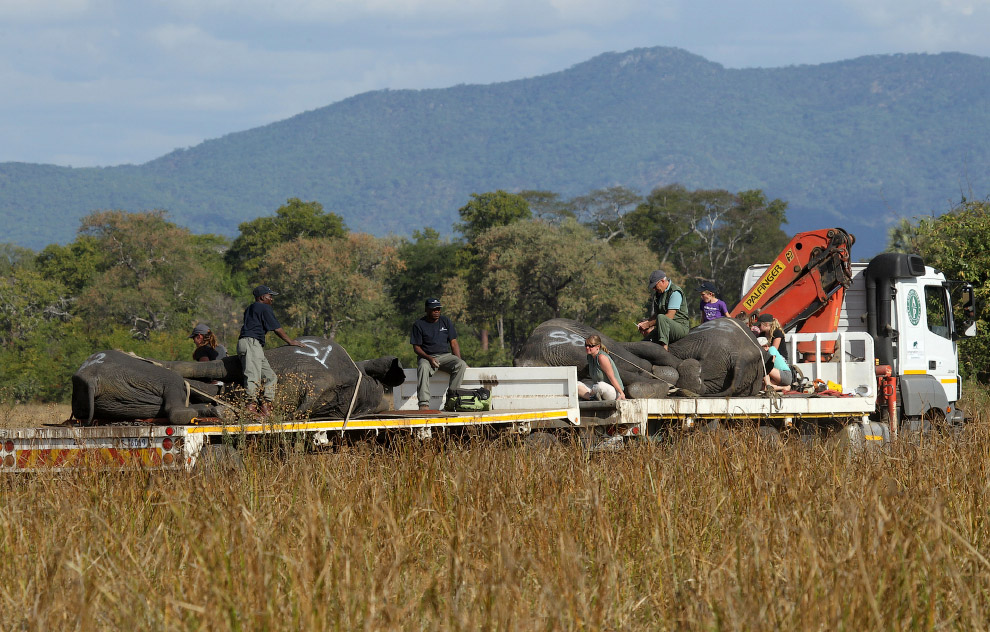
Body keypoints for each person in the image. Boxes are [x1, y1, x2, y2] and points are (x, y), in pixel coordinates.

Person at [237, 285, 303, 416]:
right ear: (262, 297)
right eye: (270, 296)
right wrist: (290, 341)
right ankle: (250, 406)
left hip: (253, 344)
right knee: (253, 375)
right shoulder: (264, 307)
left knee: (270, 376)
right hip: (251, 343)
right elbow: (276, 328)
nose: (272, 299)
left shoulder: (250, 308)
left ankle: (266, 406)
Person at [410, 298, 468, 411]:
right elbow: (416, 347)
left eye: (438, 309)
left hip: (445, 356)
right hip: (426, 357)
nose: (437, 311)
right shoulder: (419, 324)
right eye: (433, 309)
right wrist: (429, 358)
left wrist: (459, 359)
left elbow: (453, 342)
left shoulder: (445, 321)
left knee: (461, 364)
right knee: (422, 367)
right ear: (426, 310)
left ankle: (452, 398)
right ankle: (424, 403)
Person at [637, 270, 690, 349]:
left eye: (655, 286)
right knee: (645, 342)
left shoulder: (675, 292)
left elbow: (669, 317)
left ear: (662, 281)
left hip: (680, 327)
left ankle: (664, 348)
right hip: (663, 327)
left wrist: (648, 324)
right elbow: (656, 315)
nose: (654, 289)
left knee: (661, 317)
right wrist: (646, 323)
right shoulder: (658, 294)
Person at [577, 335, 626, 401]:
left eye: (591, 346)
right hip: (596, 389)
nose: (587, 347)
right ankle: (591, 398)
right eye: (586, 345)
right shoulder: (589, 357)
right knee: (576, 384)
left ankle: (591, 396)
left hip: (612, 391)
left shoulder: (602, 357)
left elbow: (612, 377)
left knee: (600, 386)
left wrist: (621, 393)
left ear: (598, 347)